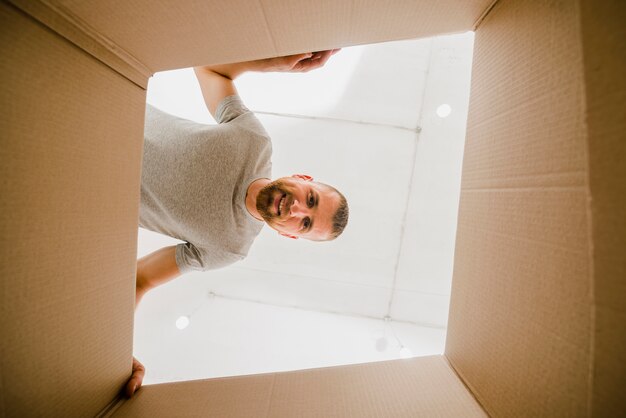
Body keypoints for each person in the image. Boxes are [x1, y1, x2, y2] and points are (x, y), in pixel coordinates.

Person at [124, 50, 349, 397]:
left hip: (79, 183)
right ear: (303, 177)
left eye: (304, 224)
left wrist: (117, 353)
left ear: (289, 235)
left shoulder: (228, 248)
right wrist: (277, 64)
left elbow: (140, 279)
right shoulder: (254, 141)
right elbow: (208, 67)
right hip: (106, 105)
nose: (297, 210)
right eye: (311, 199)